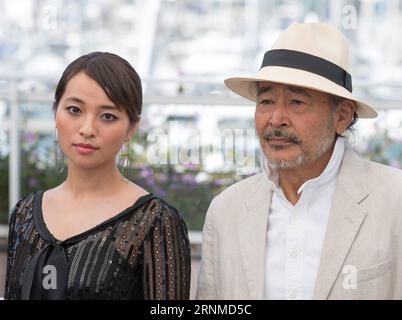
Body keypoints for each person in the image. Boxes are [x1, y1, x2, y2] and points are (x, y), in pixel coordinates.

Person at [196, 22, 402, 300]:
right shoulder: (226, 211)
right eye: (266, 101)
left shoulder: (394, 201)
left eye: (296, 102)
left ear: (342, 117)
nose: (276, 118)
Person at [5, 52, 191, 300]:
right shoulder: (25, 213)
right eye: (74, 110)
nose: (87, 129)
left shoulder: (154, 221)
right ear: (55, 112)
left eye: (108, 116)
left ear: (131, 128)